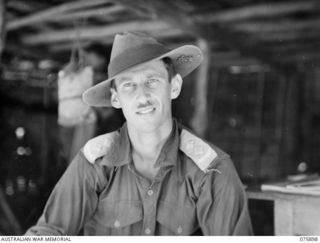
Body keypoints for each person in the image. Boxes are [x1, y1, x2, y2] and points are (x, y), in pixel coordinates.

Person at [25, 32, 253, 236]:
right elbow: (49, 232)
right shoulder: (94, 163)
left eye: (152, 81)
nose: (142, 96)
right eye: (128, 85)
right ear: (115, 98)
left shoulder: (211, 169)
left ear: (174, 87)